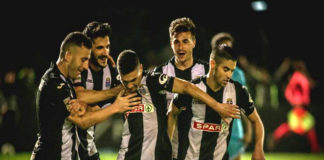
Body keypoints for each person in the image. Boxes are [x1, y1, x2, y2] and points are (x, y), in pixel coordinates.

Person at [31, 32, 140, 160]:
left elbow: (80, 112)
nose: (85, 66)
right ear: (68, 56)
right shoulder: (54, 84)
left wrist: (86, 107)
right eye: (83, 60)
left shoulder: (64, 80)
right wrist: (116, 107)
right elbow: (83, 122)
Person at [116, 49, 241, 160]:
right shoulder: (116, 87)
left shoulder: (153, 81)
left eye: (133, 80)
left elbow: (187, 87)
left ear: (141, 69)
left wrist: (217, 106)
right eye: (125, 81)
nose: (130, 86)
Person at [168, 46, 265, 160]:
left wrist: (258, 148)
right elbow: (172, 112)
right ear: (213, 64)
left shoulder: (238, 91)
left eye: (232, 71)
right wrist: (168, 147)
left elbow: (256, 121)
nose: (229, 75)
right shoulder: (192, 89)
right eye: (225, 69)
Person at [154, 17, 209, 160]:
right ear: (171, 44)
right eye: (176, 42)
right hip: (171, 151)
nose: (180, 47)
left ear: (194, 43)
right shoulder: (160, 74)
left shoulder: (207, 71)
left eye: (185, 41)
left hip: (201, 150)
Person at [73, 21, 122, 160]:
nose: (105, 52)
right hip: (67, 145)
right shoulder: (78, 67)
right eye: (100, 48)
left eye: (107, 47)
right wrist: (113, 92)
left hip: (87, 142)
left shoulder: (111, 70)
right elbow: (79, 96)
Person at [211, 32, 252, 160]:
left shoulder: (238, 74)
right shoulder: (206, 72)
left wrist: (248, 130)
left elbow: (245, 104)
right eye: (223, 47)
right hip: (212, 129)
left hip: (234, 131)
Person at [267, 59, 321, 153]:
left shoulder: (302, 76)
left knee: (295, 127)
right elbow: (288, 91)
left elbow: (307, 86)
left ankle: (274, 136)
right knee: (305, 126)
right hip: (298, 107)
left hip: (302, 107)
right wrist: (294, 100)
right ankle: (315, 149)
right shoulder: (296, 76)